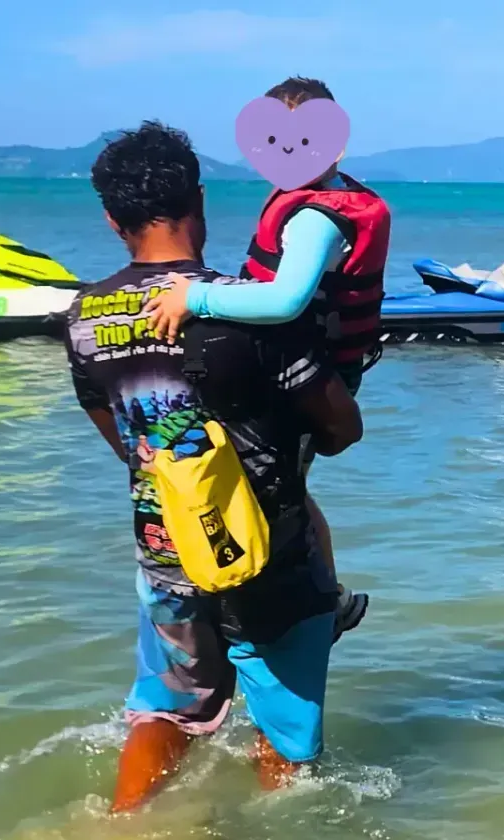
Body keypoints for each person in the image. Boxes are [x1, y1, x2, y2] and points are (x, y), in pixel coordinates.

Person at [68, 121, 363, 812]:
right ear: (200, 199)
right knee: (286, 737)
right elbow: (342, 429)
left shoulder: (83, 316)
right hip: (268, 552)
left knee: (165, 712)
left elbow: (113, 428)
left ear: (112, 220)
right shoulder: (243, 308)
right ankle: (274, 820)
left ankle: (119, 824)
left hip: (166, 545)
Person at [143, 76, 391, 641]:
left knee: (282, 491)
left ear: (335, 145)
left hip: (308, 378)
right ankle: (331, 596)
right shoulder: (314, 197)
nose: (285, 155)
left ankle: (317, 599)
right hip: (310, 366)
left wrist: (196, 297)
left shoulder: (315, 218)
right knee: (294, 489)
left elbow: (285, 299)